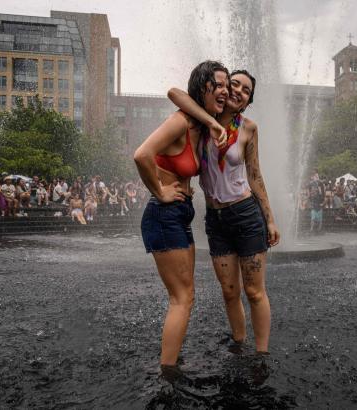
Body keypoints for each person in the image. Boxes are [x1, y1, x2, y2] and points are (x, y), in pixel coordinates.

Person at [168, 67, 280, 355]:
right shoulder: (201, 121)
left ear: (247, 101)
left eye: (246, 91)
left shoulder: (249, 128)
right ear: (224, 88)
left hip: (245, 214)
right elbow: (175, 93)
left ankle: (262, 354)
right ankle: (239, 343)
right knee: (230, 292)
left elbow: (255, 176)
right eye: (234, 84)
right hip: (216, 219)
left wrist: (270, 219)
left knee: (254, 291)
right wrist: (211, 121)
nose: (238, 91)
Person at [134, 60, 230, 368]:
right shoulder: (180, 123)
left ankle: (171, 363)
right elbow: (141, 155)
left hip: (179, 213)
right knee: (182, 298)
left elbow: (181, 95)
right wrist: (159, 191)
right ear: (203, 88)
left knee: (186, 296)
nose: (226, 91)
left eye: (228, 85)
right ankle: (167, 374)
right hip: (164, 212)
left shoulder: (201, 125)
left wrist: (215, 123)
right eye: (220, 85)